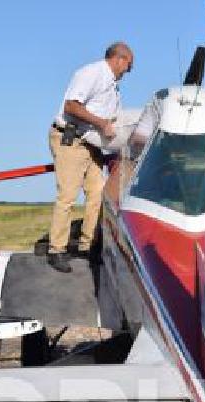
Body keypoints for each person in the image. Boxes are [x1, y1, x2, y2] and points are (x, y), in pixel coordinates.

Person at [47, 42, 134, 273]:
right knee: (67, 195)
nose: (128, 71)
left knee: (97, 194)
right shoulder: (91, 73)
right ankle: (57, 249)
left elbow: (114, 120)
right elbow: (71, 106)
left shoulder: (113, 86)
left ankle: (87, 246)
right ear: (119, 59)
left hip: (91, 144)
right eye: (129, 66)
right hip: (72, 139)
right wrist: (101, 123)